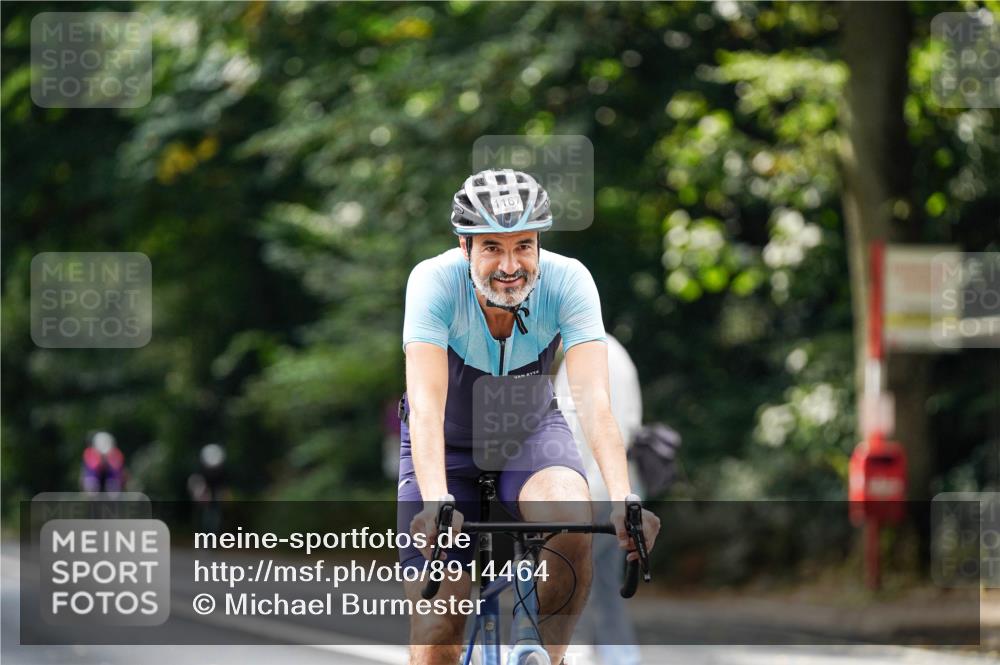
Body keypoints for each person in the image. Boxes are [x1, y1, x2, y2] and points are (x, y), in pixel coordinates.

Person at [396, 168, 661, 665]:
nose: (510, 265)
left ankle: (546, 658)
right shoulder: (432, 282)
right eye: (492, 247)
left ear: (539, 244)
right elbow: (427, 404)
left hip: (528, 429)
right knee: (436, 630)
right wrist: (436, 500)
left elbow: (594, 401)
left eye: (523, 246)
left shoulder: (569, 281)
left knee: (572, 518)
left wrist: (624, 495)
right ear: (464, 247)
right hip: (446, 446)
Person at [555, 335, 643, 665]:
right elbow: (632, 422)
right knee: (606, 588)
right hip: (622, 488)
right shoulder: (619, 354)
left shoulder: (579, 358)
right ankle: (622, 658)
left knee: (572, 586)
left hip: (588, 491)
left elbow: (567, 432)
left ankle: (575, 657)